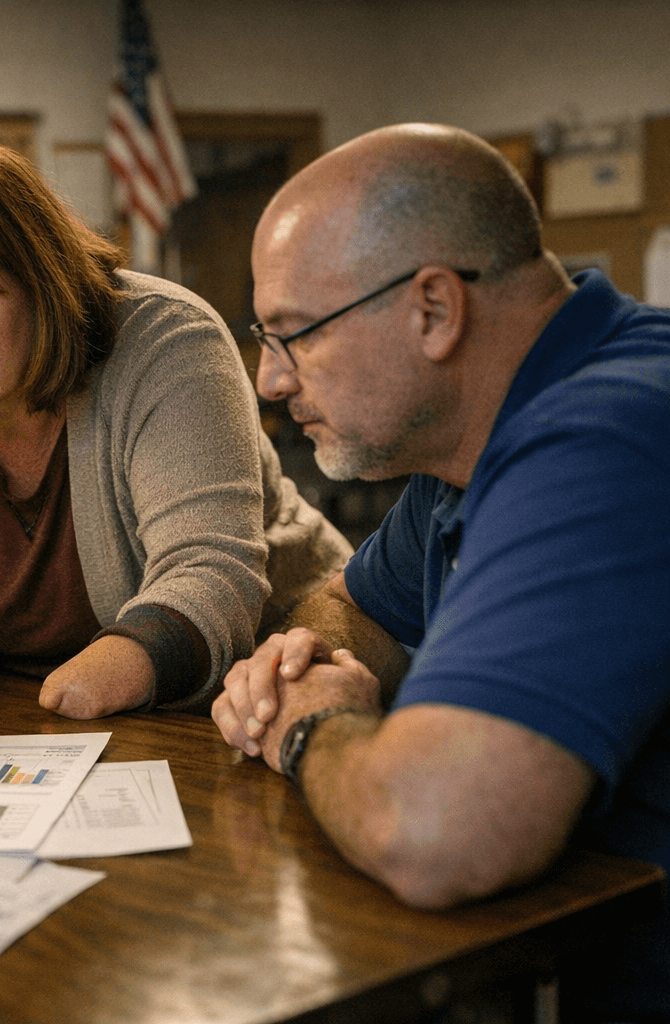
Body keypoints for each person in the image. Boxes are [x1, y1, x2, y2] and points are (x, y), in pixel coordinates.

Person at [210, 124, 670, 1020]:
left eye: (294, 336)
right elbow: (350, 607)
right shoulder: (464, 441)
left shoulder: (608, 434)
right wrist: (303, 658)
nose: (268, 381)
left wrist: (311, 726)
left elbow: (433, 836)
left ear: (433, 310)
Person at [0, 137, 351, 782]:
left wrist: (100, 674)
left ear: (39, 281)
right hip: (52, 735)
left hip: (272, 691)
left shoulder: (167, 343)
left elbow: (210, 571)